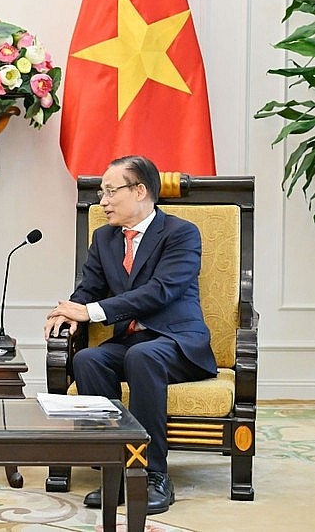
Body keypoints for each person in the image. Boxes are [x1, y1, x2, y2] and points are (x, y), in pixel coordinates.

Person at [43, 155, 216, 514]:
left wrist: (90, 312)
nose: (102, 201)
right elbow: (88, 288)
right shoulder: (104, 239)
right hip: (133, 342)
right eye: (101, 193)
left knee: (143, 356)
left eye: (110, 192)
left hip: (177, 343)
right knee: (89, 359)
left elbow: (160, 291)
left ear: (140, 191)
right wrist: (70, 313)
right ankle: (116, 469)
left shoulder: (181, 233)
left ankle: (154, 476)